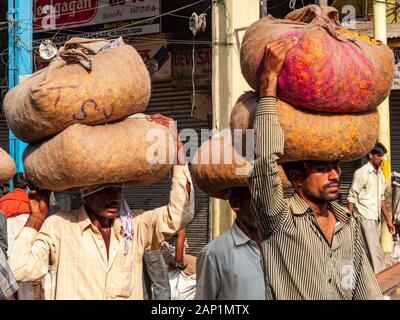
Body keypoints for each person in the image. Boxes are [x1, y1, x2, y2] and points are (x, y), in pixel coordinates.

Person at [248, 37, 382, 299]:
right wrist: (268, 85)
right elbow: (265, 162)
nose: (334, 175)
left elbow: (365, 290)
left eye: (335, 166)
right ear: (297, 177)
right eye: (322, 168)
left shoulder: (347, 224)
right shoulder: (278, 219)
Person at [8, 114, 194, 300]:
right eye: (104, 191)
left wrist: (177, 149)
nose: (114, 197)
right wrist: (36, 218)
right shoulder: (60, 226)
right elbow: (19, 270)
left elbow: (180, 215)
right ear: (86, 194)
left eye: (117, 190)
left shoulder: (135, 227)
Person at [195, 187, 265, 300]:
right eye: (258, 199)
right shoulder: (214, 253)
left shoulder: (278, 245)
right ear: (235, 203)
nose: (267, 207)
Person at [348, 143, 395, 273]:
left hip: (376, 218)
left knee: (368, 253)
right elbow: (352, 197)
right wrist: (348, 219)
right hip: (364, 216)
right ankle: (380, 285)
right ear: (370, 155)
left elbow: (381, 200)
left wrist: (389, 221)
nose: (382, 159)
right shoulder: (362, 173)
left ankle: (368, 284)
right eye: (379, 155)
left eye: (383, 156)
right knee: (376, 253)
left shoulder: (380, 175)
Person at [0, 173, 34, 300]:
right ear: (26, 187)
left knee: (7, 286)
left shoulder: (3, 202)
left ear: (13, 185)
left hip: (7, 250)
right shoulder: (32, 203)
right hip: (25, 248)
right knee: (26, 283)